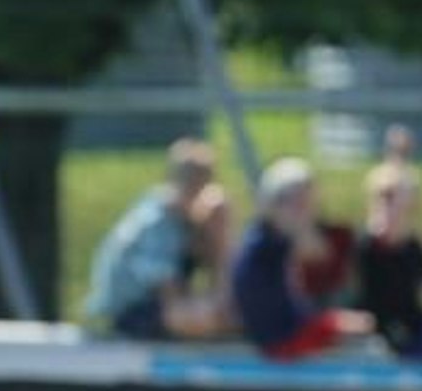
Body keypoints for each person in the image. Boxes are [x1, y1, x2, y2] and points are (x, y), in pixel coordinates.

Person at [82, 138, 236, 339]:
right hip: (127, 312)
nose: (195, 188)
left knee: (226, 314)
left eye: (202, 180)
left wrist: (218, 234)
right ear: (172, 178)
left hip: (154, 307)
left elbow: (220, 280)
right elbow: (171, 301)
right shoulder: (157, 223)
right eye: (189, 179)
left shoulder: (189, 218)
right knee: (207, 318)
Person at [230, 157, 375, 360]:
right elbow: (317, 252)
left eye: (307, 200)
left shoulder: (270, 239)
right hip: (283, 342)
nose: (305, 209)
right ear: (271, 205)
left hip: (291, 332)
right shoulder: (265, 246)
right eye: (295, 201)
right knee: (362, 325)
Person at [358, 161, 422, 358]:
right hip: (376, 336)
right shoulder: (364, 246)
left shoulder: (412, 245)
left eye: (395, 197)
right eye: (385, 197)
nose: (390, 204)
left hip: (416, 329)